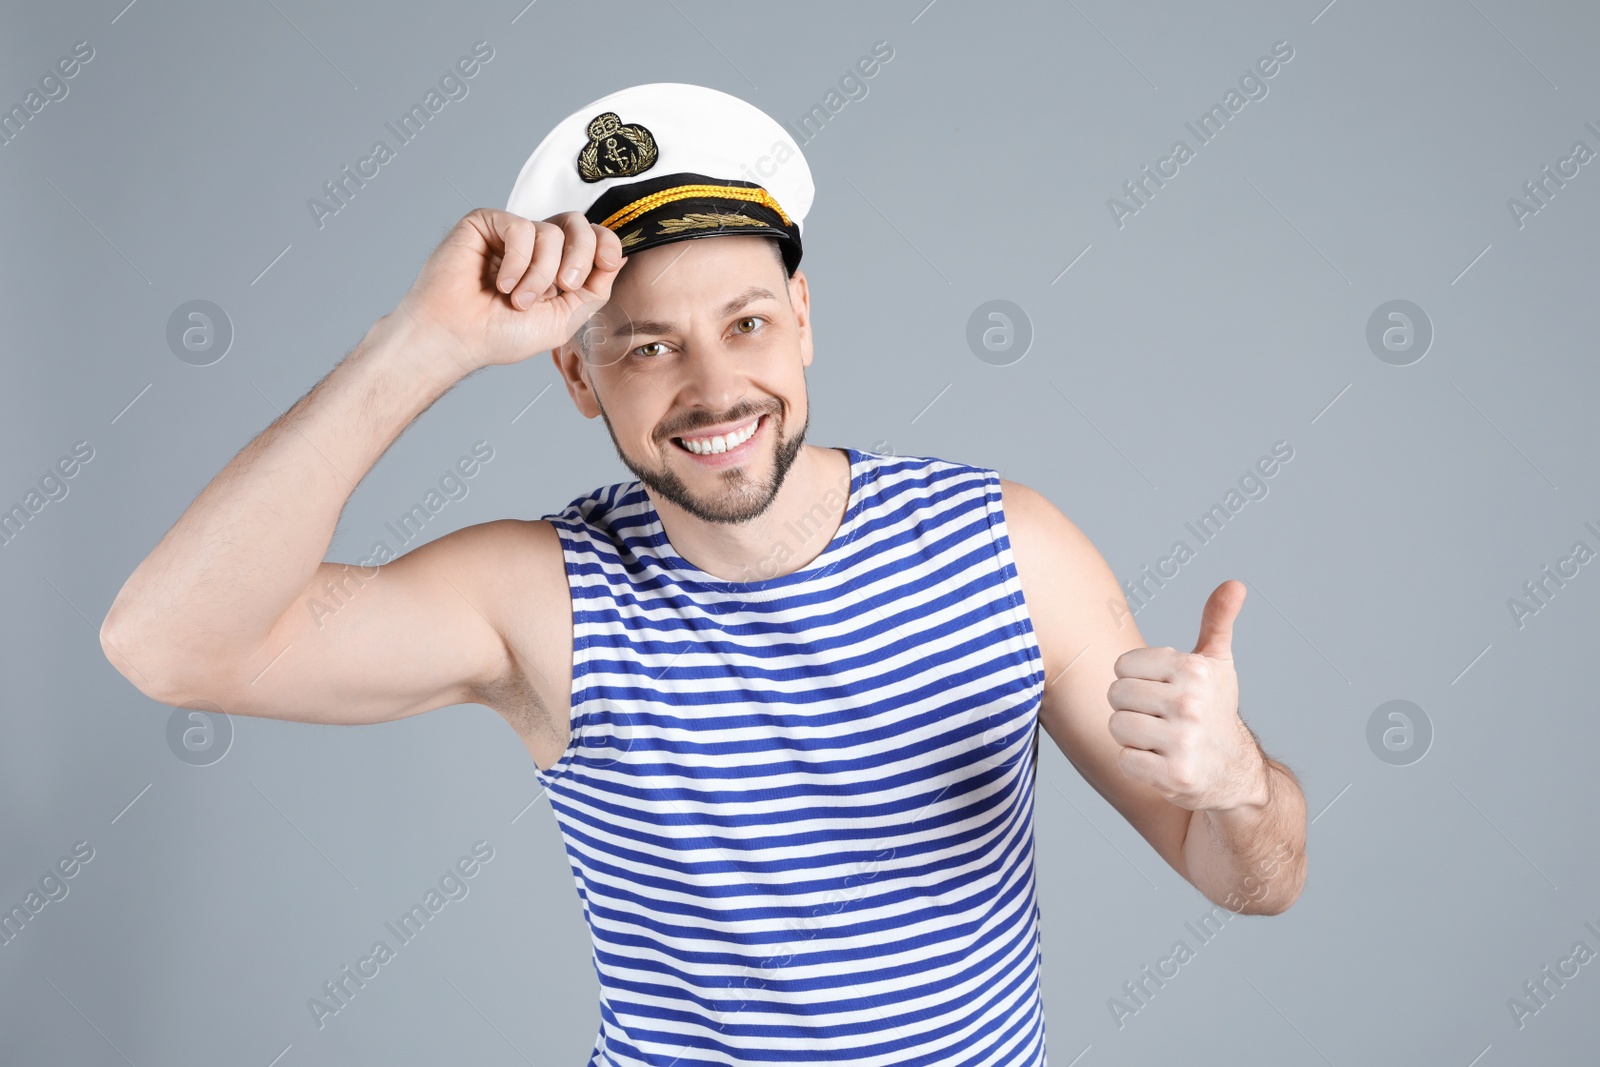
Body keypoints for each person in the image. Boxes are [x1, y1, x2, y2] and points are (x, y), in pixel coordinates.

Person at [100, 83, 1306, 1065]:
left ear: (803, 315)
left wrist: (1238, 782)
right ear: (579, 380)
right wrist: (419, 345)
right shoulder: (543, 596)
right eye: (647, 346)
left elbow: (1251, 879)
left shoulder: (1008, 543)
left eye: (745, 323)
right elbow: (170, 644)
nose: (714, 389)